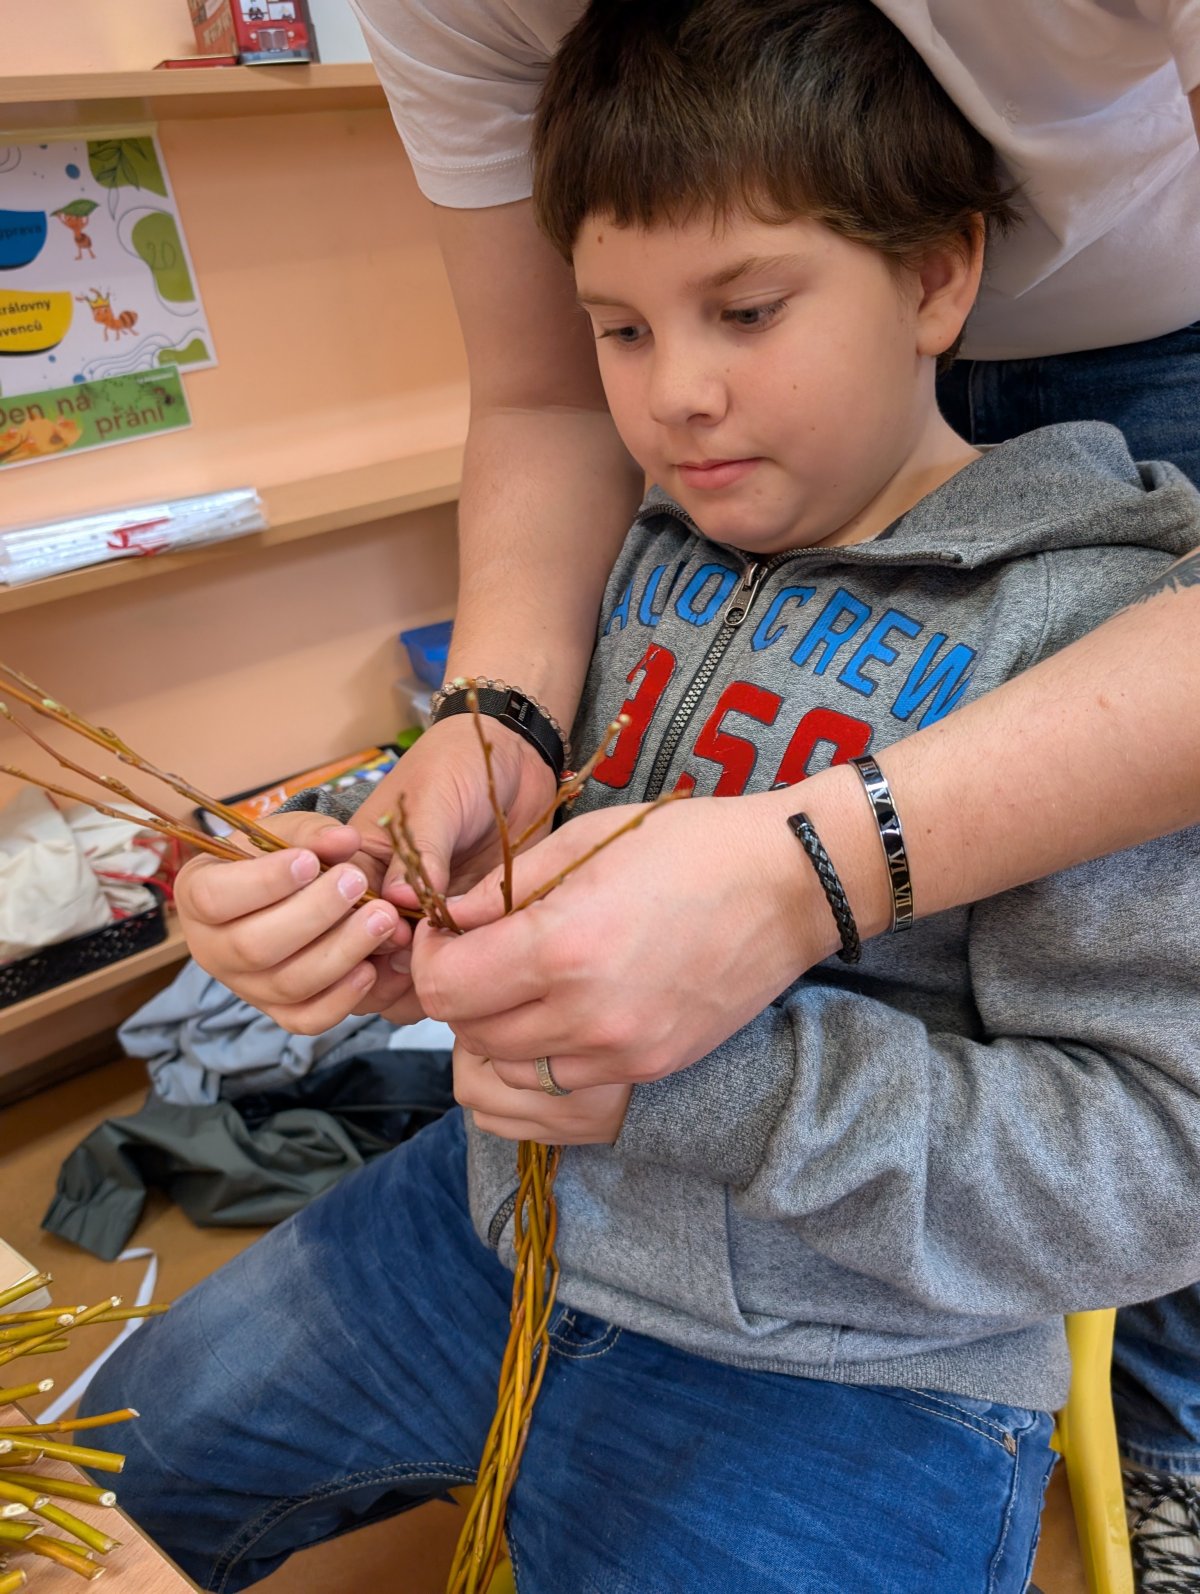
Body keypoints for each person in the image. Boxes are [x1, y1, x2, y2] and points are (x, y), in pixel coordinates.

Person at [83, 5, 1200, 1589]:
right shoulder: (629, 561)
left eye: (745, 310)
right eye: (617, 329)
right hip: (485, 1230)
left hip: (855, 1373)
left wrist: (691, 1079)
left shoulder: (1092, 629)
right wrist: (371, 901)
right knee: (68, 1489)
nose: (673, 397)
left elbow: (1147, 1175)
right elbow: (511, 855)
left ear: (938, 277)